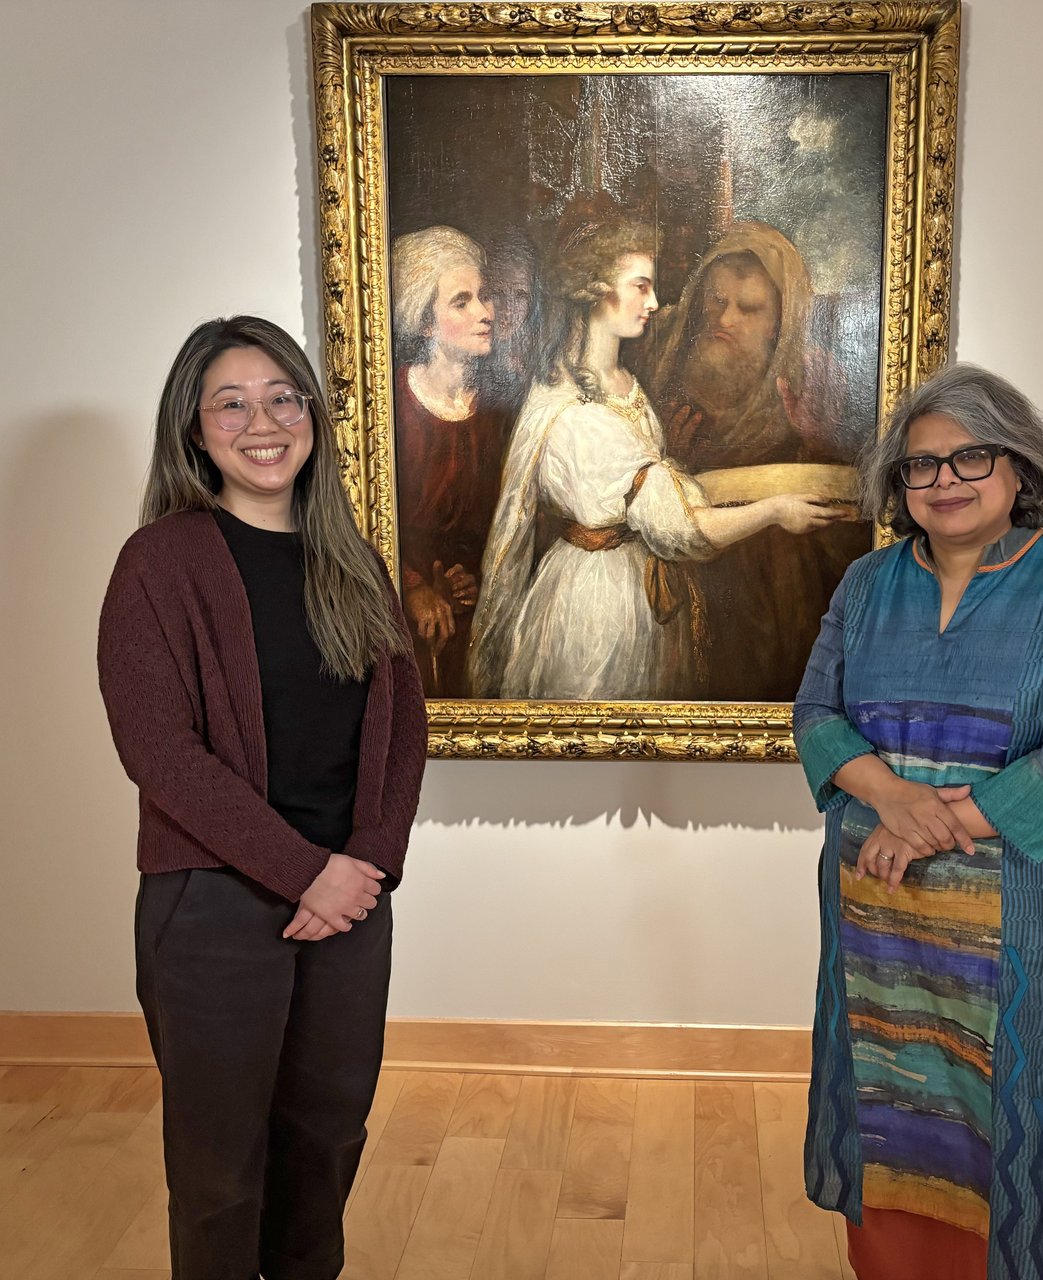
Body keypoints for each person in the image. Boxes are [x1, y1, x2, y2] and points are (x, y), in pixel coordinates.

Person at [793, 364, 1043, 1280]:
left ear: (1019, 468)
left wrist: (930, 823)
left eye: (970, 458)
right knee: (887, 1099)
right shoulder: (867, 584)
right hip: (880, 914)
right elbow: (816, 718)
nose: (944, 481)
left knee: (1029, 1120)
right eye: (921, 466)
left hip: (1028, 905)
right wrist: (896, 802)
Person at [98, 316, 427, 1280]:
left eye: (283, 398)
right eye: (230, 404)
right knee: (219, 1177)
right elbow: (160, 752)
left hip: (351, 903)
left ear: (314, 418)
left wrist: (365, 862)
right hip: (212, 908)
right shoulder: (159, 563)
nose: (263, 422)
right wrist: (304, 873)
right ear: (195, 432)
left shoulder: (351, 561)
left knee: (324, 1148)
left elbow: (403, 725)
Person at [467, 211, 848, 700]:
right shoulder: (581, 416)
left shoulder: (623, 383)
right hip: (600, 609)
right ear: (595, 289)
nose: (655, 301)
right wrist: (775, 509)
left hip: (638, 591)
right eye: (640, 286)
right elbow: (678, 528)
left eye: (748, 307)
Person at [646, 222, 868, 700]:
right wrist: (671, 467)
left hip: (772, 598)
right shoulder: (661, 376)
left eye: (748, 309)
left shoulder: (812, 388)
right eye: (717, 300)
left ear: (780, 323)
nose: (725, 319)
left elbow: (852, 526)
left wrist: (816, 442)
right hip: (685, 589)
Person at [392, 225, 513, 696]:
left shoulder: (497, 413)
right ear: (425, 321)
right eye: (462, 301)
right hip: (403, 617)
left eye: (484, 297)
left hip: (475, 611)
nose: (485, 313)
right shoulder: (393, 406)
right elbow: (360, 516)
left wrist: (472, 578)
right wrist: (414, 586)